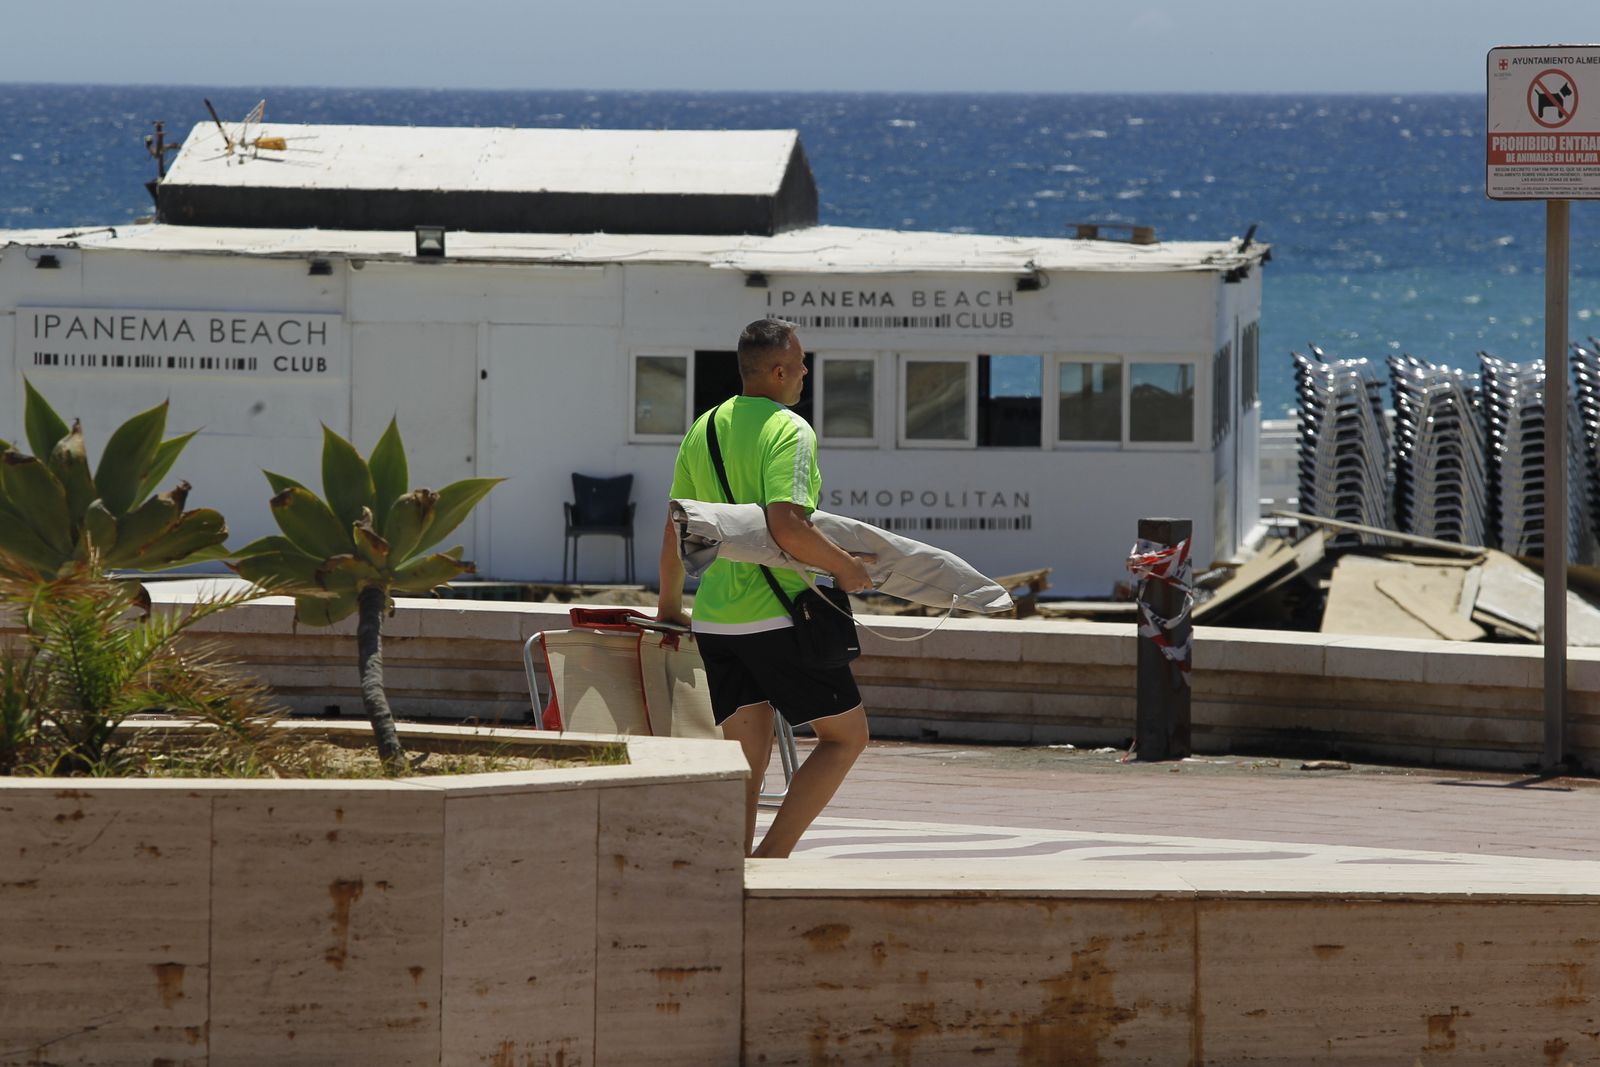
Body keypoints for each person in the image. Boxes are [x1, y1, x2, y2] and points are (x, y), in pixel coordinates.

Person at [656, 317, 873, 859]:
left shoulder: (703, 428)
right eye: (801, 363)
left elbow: (678, 526)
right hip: (778, 617)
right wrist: (846, 568)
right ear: (778, 370)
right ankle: (771, 859)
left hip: (715, 622)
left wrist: (669, 606)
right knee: (846, 737)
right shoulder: (791, 430)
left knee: (745, 763)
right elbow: (788, 527)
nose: (805, 373)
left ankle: (733, 873)